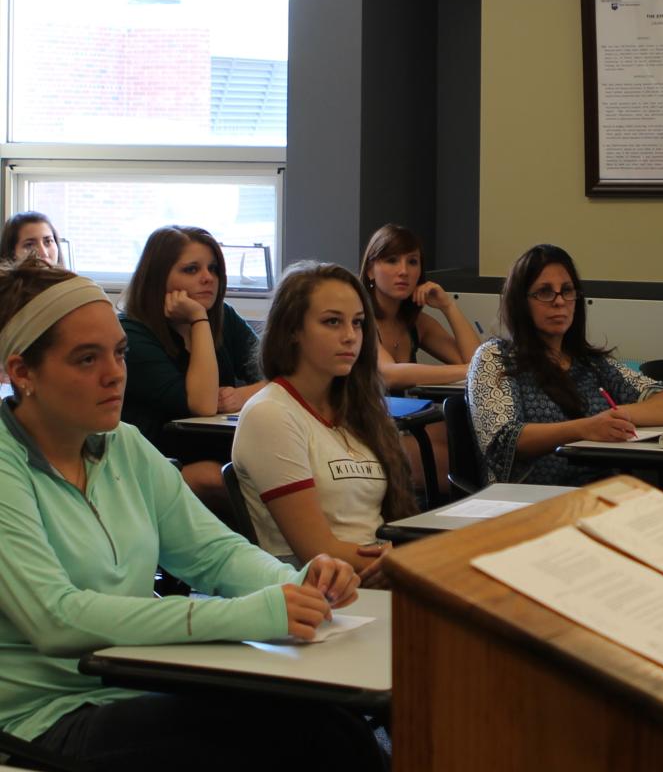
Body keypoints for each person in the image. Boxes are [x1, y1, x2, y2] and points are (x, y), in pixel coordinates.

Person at [0, 259, 387, 772]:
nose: (115, 373)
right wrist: (252, 612)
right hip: (38, 738)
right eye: (87, 359)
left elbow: (217, 555)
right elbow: (55, 619)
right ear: (22, 371)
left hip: (129, 711)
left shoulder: (123, 448)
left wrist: (303, 580)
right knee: (314, 727)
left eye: (117, 350)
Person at [233, 262, 415, 587]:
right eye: (332, 322)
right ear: (292, 330)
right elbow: (317, 551)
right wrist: (415, 561)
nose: (350, 336)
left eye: (357, 323)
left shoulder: (358, 408)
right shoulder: (270, 414)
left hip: (373, 578)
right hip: (319, 592)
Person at [468, 243, 663, 486]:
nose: (559, 301)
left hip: (602, 491)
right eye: (544, 292)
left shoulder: (591, 363)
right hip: (528, 500)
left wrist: (617, 417)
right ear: (520, 302)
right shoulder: (495, 356)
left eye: (567, 290)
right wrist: (585, 428)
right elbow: (505, 439)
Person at [119, 225, 266, 502]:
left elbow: (284, 375)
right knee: (218, 477)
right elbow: (202, 403)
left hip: (216, 448)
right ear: (157, 277)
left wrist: (242, 394)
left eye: (213, 269)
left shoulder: (223, 316)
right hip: (155, 461)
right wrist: (198, 319)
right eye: (191, 270)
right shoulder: (131, 334)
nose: (207, 278)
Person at [360, 222, 480, 496]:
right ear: (370, 269)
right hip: (363, 433)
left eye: (412, 262)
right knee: (452, 451)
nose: (403, 271)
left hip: (402, 426)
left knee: (461, 432)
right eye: (391, 261)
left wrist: (448, 306)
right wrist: (466, 369)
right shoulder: (358, 319)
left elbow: (479, 361)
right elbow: (389, 373)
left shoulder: (417, 322)